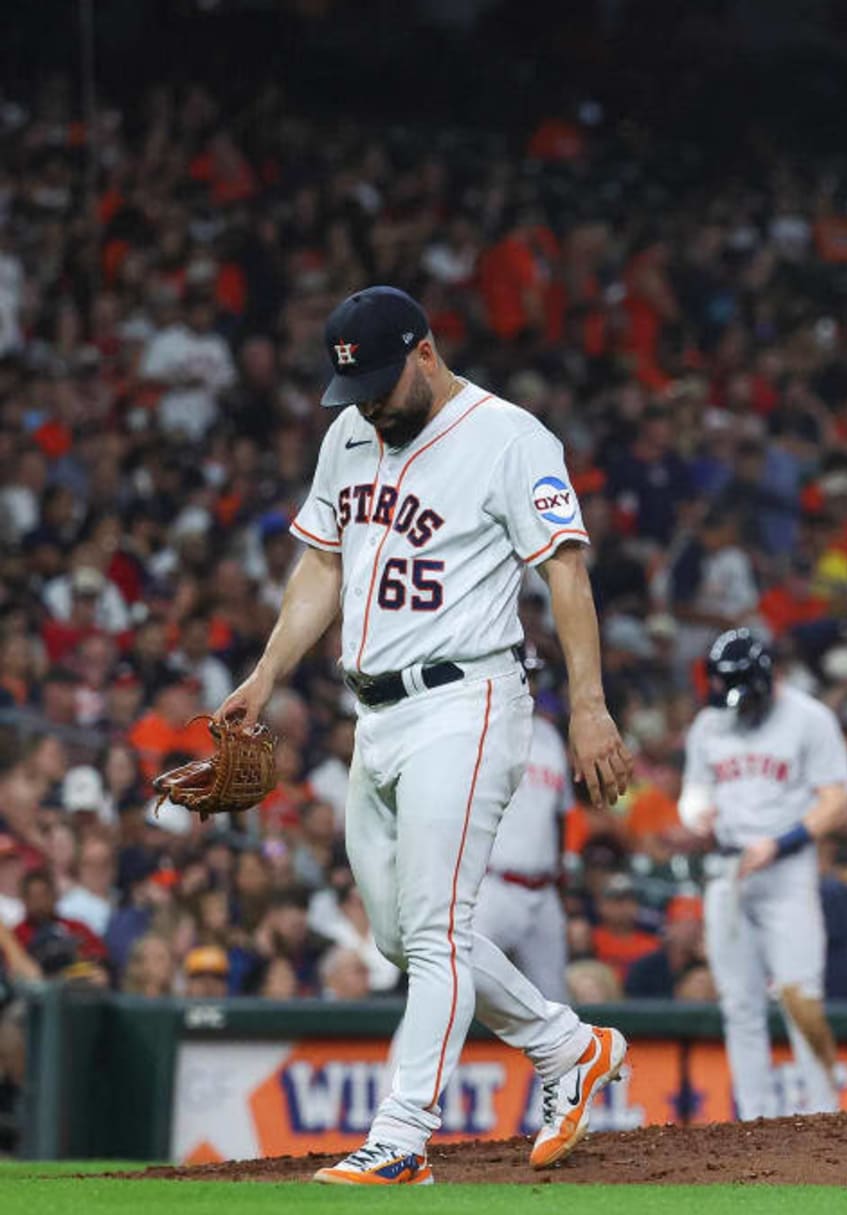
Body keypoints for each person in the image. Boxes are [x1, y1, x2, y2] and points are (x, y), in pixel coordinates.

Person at [219, 285, 635, 1184]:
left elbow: (566, 574)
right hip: (373, 712)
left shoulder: (511, 438)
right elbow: (321, 563)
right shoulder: (349, 433)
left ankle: (403, 1136)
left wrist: (592, 704)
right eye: (352, 386)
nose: (366, 401)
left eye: (377, 379)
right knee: (401, 937)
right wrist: (266, 673)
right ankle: (570, 1046)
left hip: (469, 698)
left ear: (425, 351)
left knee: (437, 930)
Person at [680, 629, 847, 1119]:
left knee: (801, 995)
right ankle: (753, 1117)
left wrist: (781, 843)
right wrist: (696, 814)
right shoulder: (708, 725)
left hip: (786, 869)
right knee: (739, 1004)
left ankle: (822, 1110)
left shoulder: (808, 718)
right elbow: (694, 790)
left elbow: (838, 801)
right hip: (728, 868)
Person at [471, 702, 575, 1001]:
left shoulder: (550, 737)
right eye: (525, 673)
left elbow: (560, 814)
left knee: (555, 999)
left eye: (535, 675)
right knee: (456, 981)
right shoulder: (479, 729)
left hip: (544, 892)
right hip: (492, 884)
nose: (528, 682)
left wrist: (561, 878)